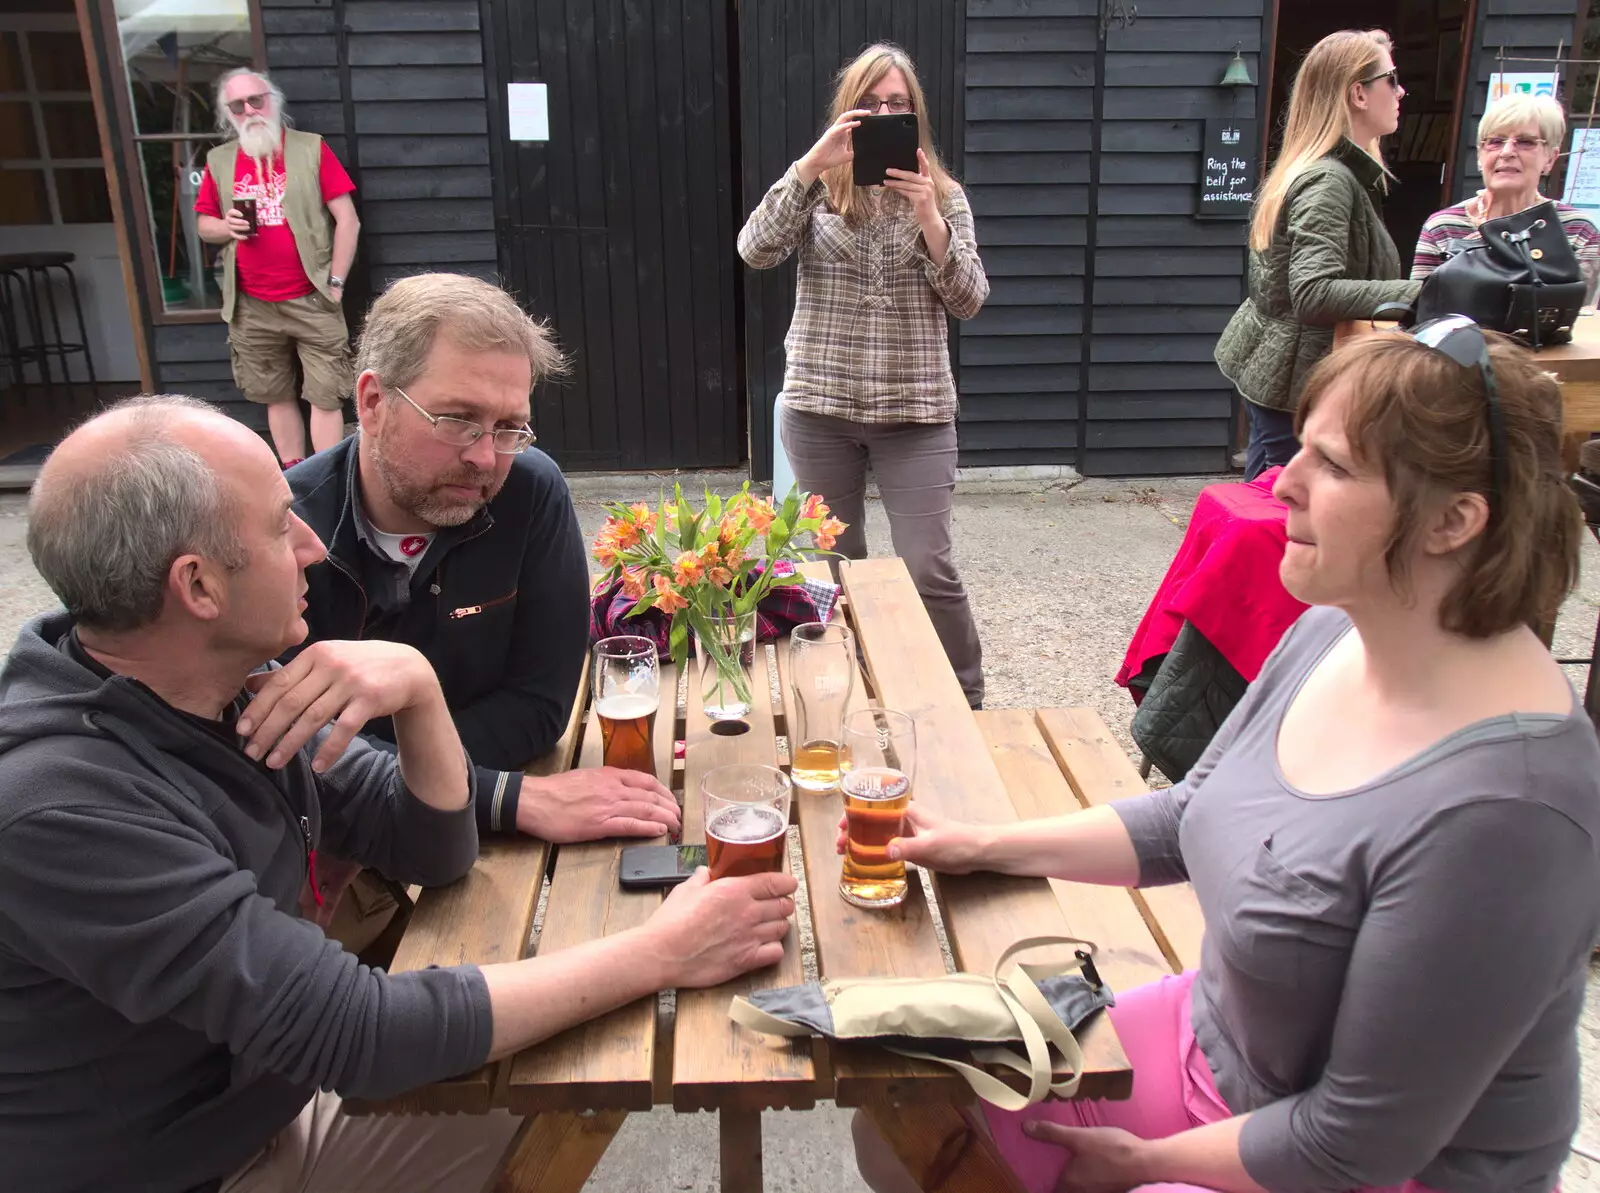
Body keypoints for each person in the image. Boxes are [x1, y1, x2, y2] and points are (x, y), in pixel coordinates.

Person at [852, 325, 1600, 1193]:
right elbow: (1187, 815)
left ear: (1453, 520)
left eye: (1335, 465)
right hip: (1216, 1046)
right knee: (908, 1118)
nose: (1282, 480)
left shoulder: (1509, 814)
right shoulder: (1334, 628)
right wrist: (983, 844)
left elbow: (1354, 1142)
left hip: (1372, 1169)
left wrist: (1139, 1166)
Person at [0, 395, 797, 1193]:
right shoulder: (61, 806)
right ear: (197, 586)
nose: (313, 544)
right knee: (570, 1056)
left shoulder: (221, 685)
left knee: (567, 1055)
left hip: (266, 1112)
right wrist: (665, 950)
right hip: (192, 1170)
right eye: (282, 526)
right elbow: (360, 1032)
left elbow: (433, 847)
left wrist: (418, 691)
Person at [288, 274, 679, 929]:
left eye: (509, 427)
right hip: (312, 862)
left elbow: (539, 706)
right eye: (457, 419)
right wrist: (505, 796)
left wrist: (398, 773)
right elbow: (289, 753)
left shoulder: (529, 491)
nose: (484, 457)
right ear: (373, 400)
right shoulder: (286, 530)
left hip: (438, 833)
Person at [738, 43, 990, 708]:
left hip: (916, 411)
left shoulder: (945, 197)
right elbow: (754, 249)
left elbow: (969, 298)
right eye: (872, 102)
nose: (884, 112)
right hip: (821, 408)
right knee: (832, 566)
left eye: (897, 104)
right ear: (848, 110)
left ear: (915, 115)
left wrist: (932, 219)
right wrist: (807, 167)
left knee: (927, 567)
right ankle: (850, 693)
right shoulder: (817, 189)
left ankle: (965, 698)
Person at [1216, 30, 1420, 482]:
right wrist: (1421, 292)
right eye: (1393, 78)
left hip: (1285, 378)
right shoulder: (1329, 180)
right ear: (1359, 93)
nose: (1401, 90)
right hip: (1294, 384)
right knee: (1285, 524)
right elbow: (1313, 292)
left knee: (1262, 514)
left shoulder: (1334, 171)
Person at [196, 67, 360, 469]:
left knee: (325, 395)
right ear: (227, 114)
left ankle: (327, 478)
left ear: (273, 101)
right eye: (238, 105)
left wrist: (335, 282)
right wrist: (224, 226)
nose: (250, 110)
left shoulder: (310, 148)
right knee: (276, 394)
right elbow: (204, 226)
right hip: (252, 304)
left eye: (257, 100)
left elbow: (348, 220)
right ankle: (295, 479)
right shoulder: (220, 161)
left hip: (313, 297)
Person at [1412, 92, 1600, 292]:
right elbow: (1420, 310)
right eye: (1495, 141)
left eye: (1525, 142)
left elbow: (1588, 316)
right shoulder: (1443, 227)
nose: (1507, 151)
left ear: (1550, 159)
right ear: (1479, 156)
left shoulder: (1579, 231)